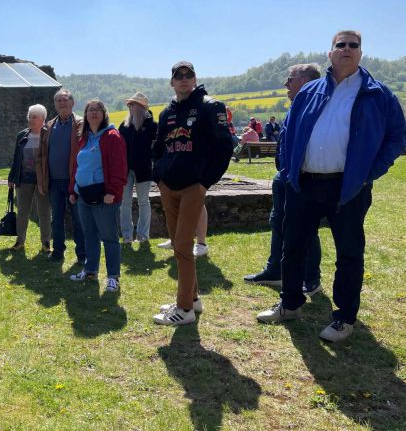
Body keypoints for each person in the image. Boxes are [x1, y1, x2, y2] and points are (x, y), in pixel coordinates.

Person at [257, 31, 406, 343]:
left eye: (354, 45)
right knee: (293, 246)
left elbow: (397, 136)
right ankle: (290, 303)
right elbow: (287, 131)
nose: (347, 50)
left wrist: (370, 172)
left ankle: (344, 318)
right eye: (341, 45)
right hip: (305, 183)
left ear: (361, 53)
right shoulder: (310, 90)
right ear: (330, 53)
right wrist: (287, 169)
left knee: (349, 252)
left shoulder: (378, 94)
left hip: (348, 186)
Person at [151, 61, 233, 326]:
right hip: (169, 185)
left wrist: (205, 182)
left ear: (195, 79)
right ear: (172, 82)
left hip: (193, 186)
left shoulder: (210, 106)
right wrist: (158, 176)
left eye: (189, 75)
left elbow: (224, 148)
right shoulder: (167, 113)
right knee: (177, 244)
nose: (184, 79)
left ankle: (184, 309)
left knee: (184, 246)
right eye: (178, 76)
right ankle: (193, 298)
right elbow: (158, 146)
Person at [244, 64, 323, 296]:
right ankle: (275, 270)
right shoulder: (295, 107)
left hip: (301, 179)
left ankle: (311, 279)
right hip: (284, 177)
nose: (286, 84)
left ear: (308, 81)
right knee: (277, 223)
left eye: (291, 79)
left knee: (307, 229)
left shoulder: (316, 109)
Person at [68, 100, 127, 293]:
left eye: (97, 110)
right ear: (85, 115)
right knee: (89, 235)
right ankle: (90, 270)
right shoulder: (83, 138)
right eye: (90, 110)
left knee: (109, 238)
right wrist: (72, 190)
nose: (93, 113)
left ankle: (113, 277)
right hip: (83, 195)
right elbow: (77, 166)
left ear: (104, 114)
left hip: (104, 197)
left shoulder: (112, 136)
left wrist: (113, 193)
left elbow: (120, 168)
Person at [44, 89, 86, 264]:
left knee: (78, 220)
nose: (62, 103)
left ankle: (82, 255)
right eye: (58, 100)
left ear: (72, 103)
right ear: (54, 104)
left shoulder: (81, 124)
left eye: (65, 100)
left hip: (73, 181)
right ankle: (58, 252)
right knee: (57, 220)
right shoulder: (49, 126)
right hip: (54, 181)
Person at [7, 104, 52, 253]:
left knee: (44, 211)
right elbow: (16, 158)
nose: (31, 120)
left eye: (34, 117)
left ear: (43, 119)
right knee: (23, 211)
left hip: (42, 180)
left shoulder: (49, 135)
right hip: (24, 179)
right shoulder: (22, 135)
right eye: (30, 117)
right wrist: (11, 177)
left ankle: (46, 242)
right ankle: (20, 240)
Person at [118, 92, 157, 245]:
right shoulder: (124, 125)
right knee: (124, 202)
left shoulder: (152, 126)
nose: (129, 107)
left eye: (132, 104)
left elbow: (157, 147)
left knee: (143, 202)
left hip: (144, 169)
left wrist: (149, 158)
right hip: (126, 170)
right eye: (129, 104)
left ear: (140, 107)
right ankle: (127, 235)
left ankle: (143, 235)